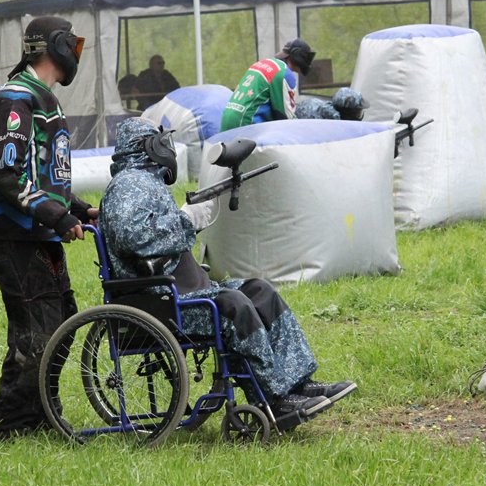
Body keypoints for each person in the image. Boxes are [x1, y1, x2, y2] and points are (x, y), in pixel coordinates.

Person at [99, 117, 356, 430]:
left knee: (259, 290)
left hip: (177, 291)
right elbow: (132, 237)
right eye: (161, 141)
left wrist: (186, 217)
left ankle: (298, 382)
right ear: (148, 146)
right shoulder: (128, 185)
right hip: (158, 301)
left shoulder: (143, 182)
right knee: (234, 305)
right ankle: (274, 398)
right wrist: (185, 221)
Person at [0, 15, 98, 440]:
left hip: (36, 231)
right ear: (55, 46)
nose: (76, 53)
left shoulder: (42, 98)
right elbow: (9, 178)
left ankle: (42, 413)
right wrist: (59, 217)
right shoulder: (16, 99)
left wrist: (80, 209)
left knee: (61, 320)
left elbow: (44, 176)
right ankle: (7, 424)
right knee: (36, 332)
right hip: (12, 234)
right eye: (72, 44)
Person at [219, 38, 316, 131]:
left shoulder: (261, 63)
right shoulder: (283, 73)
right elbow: (285, 116)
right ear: (297, 56)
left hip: (227, 120)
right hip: (247, 124)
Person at [295, 87, 367, 121]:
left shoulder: (327, 110)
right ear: (349, 113)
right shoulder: (333, 123)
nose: (359, 115)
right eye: (358, 112)